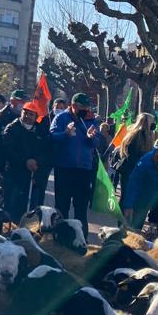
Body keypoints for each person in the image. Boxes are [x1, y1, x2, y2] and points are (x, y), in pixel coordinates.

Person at [49, 92, 102, 235]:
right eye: (82, 107)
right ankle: (60, 235)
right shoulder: (61, 118)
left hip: (84, 169)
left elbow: (97, 142)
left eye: (87, 107)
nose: (85, 110)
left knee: (81, 207)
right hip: (64, 167)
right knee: (62, 205)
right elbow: (52, 137)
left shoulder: (90, 119)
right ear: (73, 106)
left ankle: (81, 238)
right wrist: (65, 134)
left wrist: (91, 138)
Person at [2, 104, 50, 219]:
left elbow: (46, 151)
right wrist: (25, 161)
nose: (28, 116)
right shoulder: (12, 128)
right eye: (26, 113)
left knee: (32, 210)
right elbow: (8, 150)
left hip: (33, 175)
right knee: (12, 207)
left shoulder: (40, 130)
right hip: (14, 174)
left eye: (31, 114)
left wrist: (36, 161)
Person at [113, 113, 156, 209]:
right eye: (152, 122)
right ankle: (123, 221)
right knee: (127, 197)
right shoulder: (137, 135)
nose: (154, 124)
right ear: (146, 123)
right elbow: (133, 154)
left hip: (135, 170)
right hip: (131, 170)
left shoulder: (147, 135)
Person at [30, 97, 65, 209]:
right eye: (57, 107)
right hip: (44, 157)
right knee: (39, 185)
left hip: (58, 157)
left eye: (62, 108)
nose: (59, 109)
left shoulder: (65, 120)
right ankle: (37, 208)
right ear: (52, 107)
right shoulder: (44, 119)